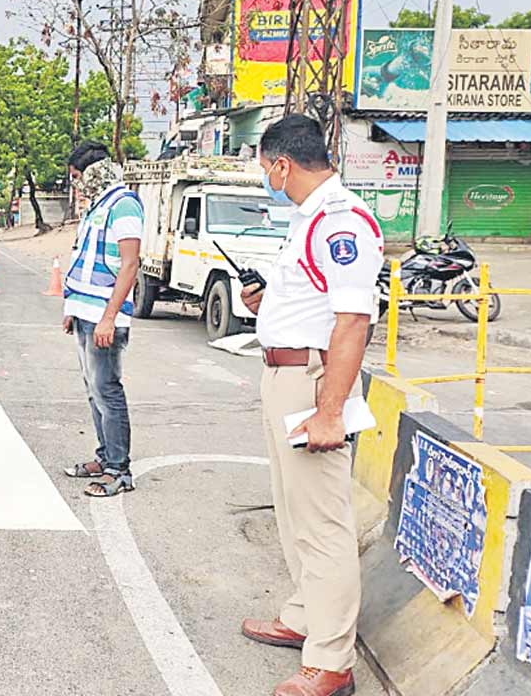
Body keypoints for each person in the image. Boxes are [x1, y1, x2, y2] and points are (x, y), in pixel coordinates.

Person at [239, 114, 383, 696]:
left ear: (281, 164)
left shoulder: (338, 222)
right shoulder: (309, 220)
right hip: (285, 373)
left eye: (264, 167)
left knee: (323, 524)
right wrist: (264, 303)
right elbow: (313, 302)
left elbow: (353, 321)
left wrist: (329, 411)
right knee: (294, 511)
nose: (265, 176)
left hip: (313, 383)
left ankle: (332, 662)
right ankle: (304, 619)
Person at [59, 141, 143, 498]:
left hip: (103, 317)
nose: (76, 184)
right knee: (94, 392)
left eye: (78, 177)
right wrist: (71, 309)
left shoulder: (124, 205)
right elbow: (84, 258)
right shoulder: (99, 205)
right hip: (85, 312)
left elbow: (129, 264)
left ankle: (118, 470)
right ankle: (104, 455)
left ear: (93, 173)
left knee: (108, 391)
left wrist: (109, 318)